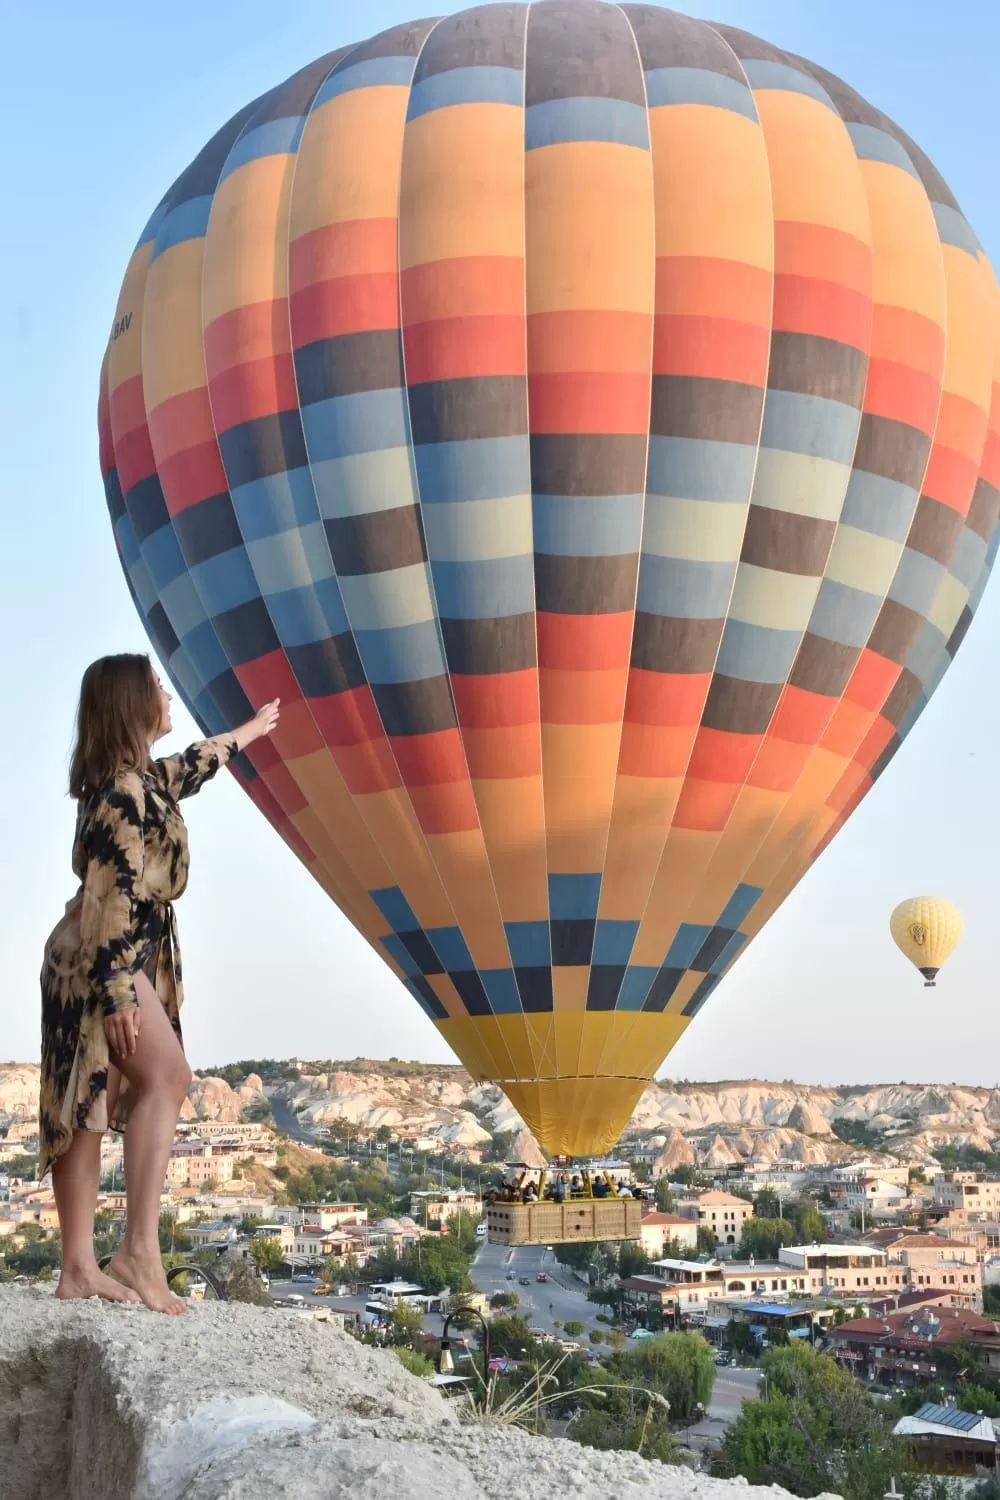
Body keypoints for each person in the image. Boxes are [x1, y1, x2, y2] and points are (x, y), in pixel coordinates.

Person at [38, 653, 279, 1314]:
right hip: (100, 954)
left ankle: (79, 1268)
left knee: (89, 1103)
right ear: (131, 704)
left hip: (107, 952)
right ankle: (138, 1254)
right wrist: (118, 990)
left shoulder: (139, 781)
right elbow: (113, 893)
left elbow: (193, 766)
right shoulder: (122, 792)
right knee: (166, 1077)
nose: (169, 694)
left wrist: (252, 731)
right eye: (157, 688)